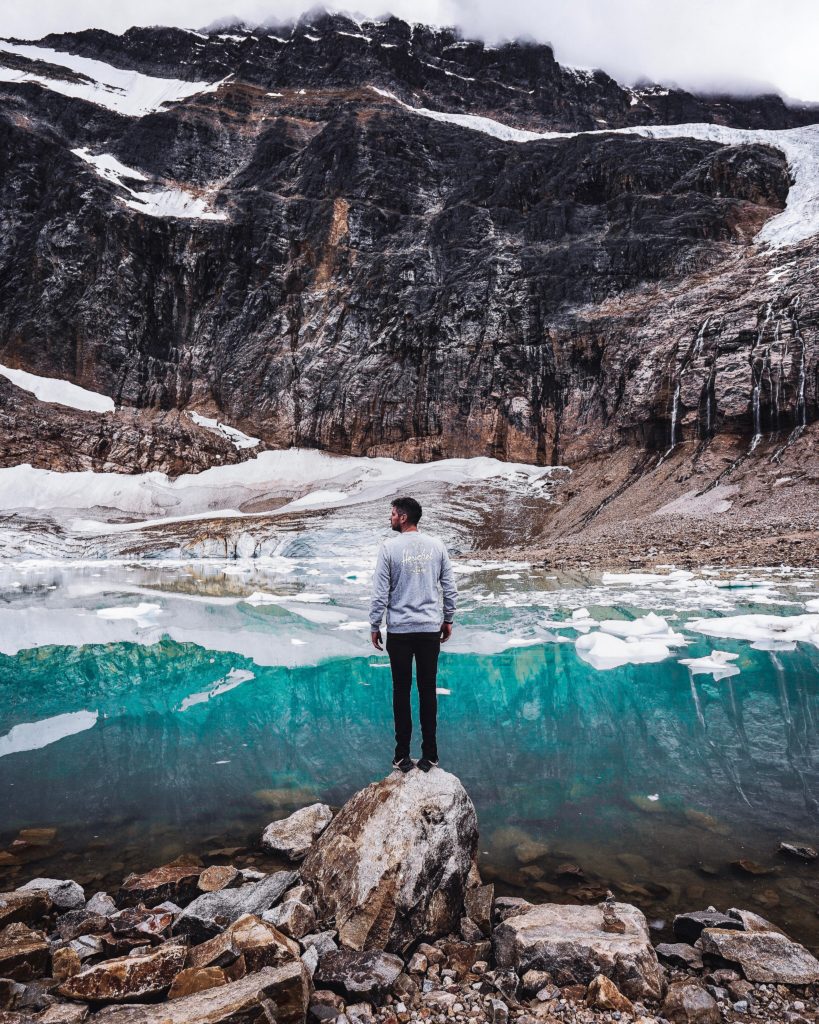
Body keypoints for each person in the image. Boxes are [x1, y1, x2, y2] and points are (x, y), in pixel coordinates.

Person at [369, 496, 457, 774]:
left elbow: (380, 592)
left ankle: (402, 756)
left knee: (401, 691)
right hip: (429, 629)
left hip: (401, 631)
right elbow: (449, 588)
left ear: (403, 517)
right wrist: (448, 619)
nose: (391, 518)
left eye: (393, 514)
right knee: (427, 690)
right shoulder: (437, 545)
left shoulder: (389, 548)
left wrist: (375, 624)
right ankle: (430, 755)